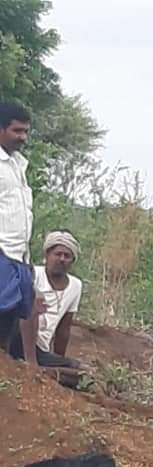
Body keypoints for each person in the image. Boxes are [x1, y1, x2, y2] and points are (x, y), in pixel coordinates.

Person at [11, 231, 83, 385]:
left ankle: (43, 370)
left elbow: (64, 329)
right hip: (19, 339)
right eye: (58, 254)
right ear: (47, 255)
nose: (62, 259)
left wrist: (58, 359)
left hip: (41, 349)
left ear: (72, 261)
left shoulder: (76, 286)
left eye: (67, 256)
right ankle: (31, 366)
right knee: (31, 305)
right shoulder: (32, 274)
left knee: (78, 371)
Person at [0, 102, 35, 353]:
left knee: (12, 314)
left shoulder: (18, 164)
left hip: (19, 255)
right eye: (17, 131)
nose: (23, 137)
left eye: (26, 132)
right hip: (2, 252)